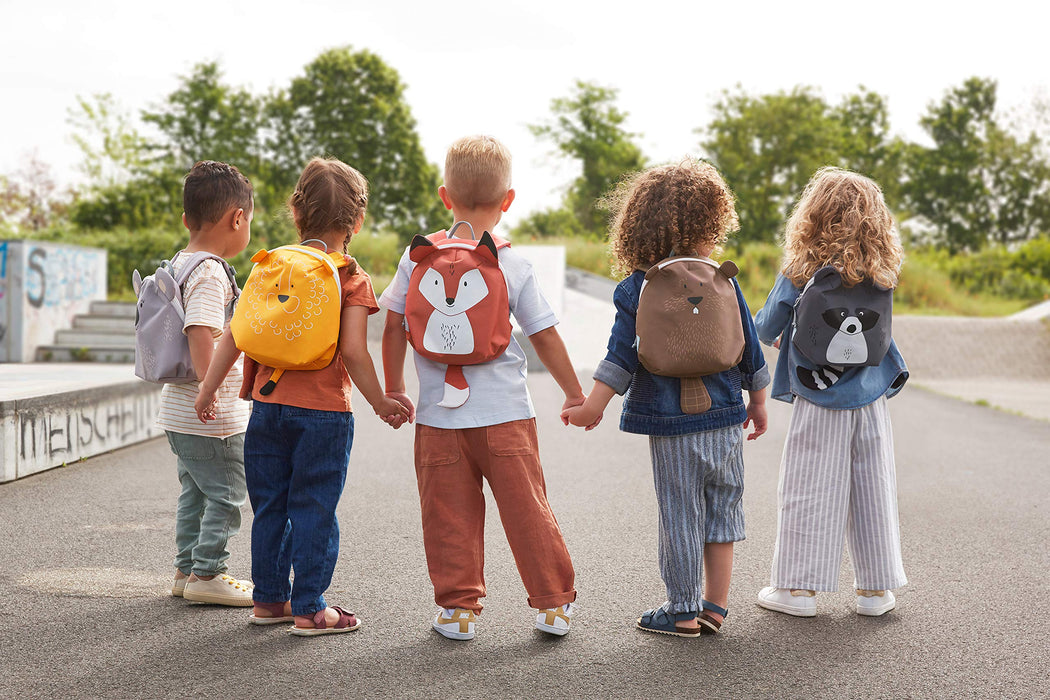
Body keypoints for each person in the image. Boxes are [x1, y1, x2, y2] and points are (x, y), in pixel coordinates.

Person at [196, 157, 409, 636]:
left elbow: (235, 334)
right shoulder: (350, 276)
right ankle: (312, 608)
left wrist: (209, 389)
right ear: (357, 221)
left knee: (270, 506)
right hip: (324, 415)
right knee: (314, 507)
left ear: (296, 213)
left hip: (266, 410)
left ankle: (270, 600)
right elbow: (353, 351)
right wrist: (380, 401)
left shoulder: (269, 267)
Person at [380, 135, 582, 640]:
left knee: (447, 514)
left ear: (444, 196)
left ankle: (458, 609)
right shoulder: (509, 263)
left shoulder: (416, 257)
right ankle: (553, 604)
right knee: (527, 508)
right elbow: (544, 335)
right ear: (508, 200)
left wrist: (393, 386)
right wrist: (574, 394)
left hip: (437, 420)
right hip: (507, 414)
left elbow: (391, 325)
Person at [562, 160, 769, 636]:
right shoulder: (723, 279)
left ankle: (682, 611)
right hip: (726, 420)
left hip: (672, 426)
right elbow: (749, 350)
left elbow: (621, 355)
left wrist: (592, 406)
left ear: (637, 225)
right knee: (723, 511)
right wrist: (757, 404)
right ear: (712, 222)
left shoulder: (639, 286)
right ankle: (715, 607)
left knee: (681, 516)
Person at [753, 166, 908, 618]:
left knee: (808, 487)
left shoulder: (802, 269)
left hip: (817, 396)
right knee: (873, 487)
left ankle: (798, 591)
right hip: (871, 396)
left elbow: (766, 327)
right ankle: (876, 591)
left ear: (812, 216)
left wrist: (794, 333)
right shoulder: (882, 272)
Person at [159, 160, 255, 606]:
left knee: (195, 491)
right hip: (209, 415)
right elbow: (200, 329)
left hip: (177, 412)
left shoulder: (177, 263)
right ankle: (208, 573)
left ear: (186, 220)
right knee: (229, 494)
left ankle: (184, 570)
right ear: (238, 218)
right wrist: (210, 388)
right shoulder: (212, 272)